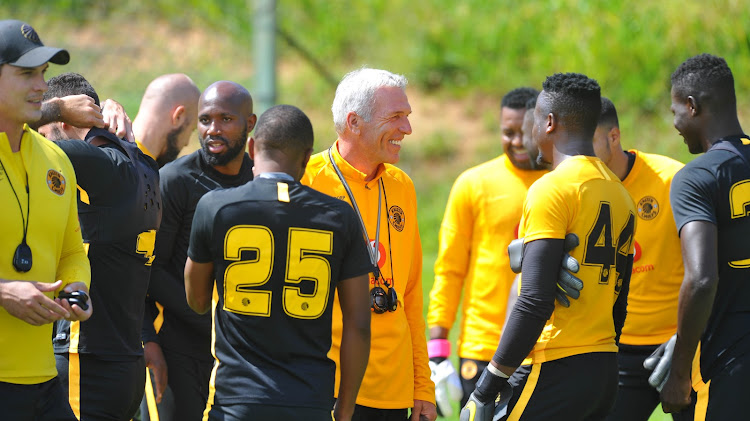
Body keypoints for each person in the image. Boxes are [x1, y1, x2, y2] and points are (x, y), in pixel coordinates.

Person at [461, 73, 636, 420]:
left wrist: (488, 385)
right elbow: (620, 299)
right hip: (603, 368)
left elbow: (534, 300)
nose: (529, 133)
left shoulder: (550, 189)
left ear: (550, 123)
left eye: (534, 121)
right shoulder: (621, 194)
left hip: (555, 363)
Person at [185, 104, 372, 421]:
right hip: (309, 401)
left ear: (252, 147)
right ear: (306, 156)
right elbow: (359, 325)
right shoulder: (340, 217)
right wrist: (345, 409)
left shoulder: (216, 206)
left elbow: (198, 301)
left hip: (236, 400)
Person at [303, 67, 437, 421]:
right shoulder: (307, 181)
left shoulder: (402, 187)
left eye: (407, 117)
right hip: (324, 387)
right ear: (354, 122)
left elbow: (410, 295)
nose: (407, 129)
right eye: (395, 117)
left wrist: (422, 386)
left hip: (392, 394)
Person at [37, 72, 161, 421]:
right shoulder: (142, 162)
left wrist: (51, 109)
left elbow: (10, 132)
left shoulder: (92, 161)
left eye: (45, 134)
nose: (41, 142)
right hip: (125, 359)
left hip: (85, 360)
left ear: (66, 122)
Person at [426, 87, 545, 414]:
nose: (518, 141)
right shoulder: (473, 183)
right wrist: (437, 349)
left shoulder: (563, 181)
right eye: (508, 133)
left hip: (546, 347)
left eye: (525, 132)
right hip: (483, 347)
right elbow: (449, 268)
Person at [144, 80, 257, 421]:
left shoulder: (260, 179)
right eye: (206, 120)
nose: (213, 130)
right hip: (181, 349)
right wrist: (210, 321)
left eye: (226, 119)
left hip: (244, 356)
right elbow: (149, 269)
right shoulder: (175, 180)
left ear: (249, 124)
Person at [0, 19, 91, 419]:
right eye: (25, 74)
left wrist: (76, 288)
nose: (40, 85)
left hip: (44, 384)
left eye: (43, 73)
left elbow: (73, 249)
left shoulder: (57, 159)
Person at [660, 53, 750, 420]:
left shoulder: (697, 178)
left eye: (675, 111)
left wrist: (679, 374)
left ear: (692, 106)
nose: (676, 124)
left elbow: (701, 279)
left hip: (726, 361)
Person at [589, 97, 685, 421]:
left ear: (613, 137)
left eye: (587, 142)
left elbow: (709, 267)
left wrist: (688, 341)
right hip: (618, 349)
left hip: (682, 345)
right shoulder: (576, 189)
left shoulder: (672, 179)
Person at [133, 73, 201, 167]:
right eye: (191, 130)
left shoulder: (111, 151)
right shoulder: (133, 169)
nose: (187, 143)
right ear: (178, 117)